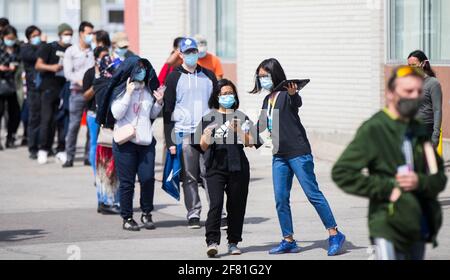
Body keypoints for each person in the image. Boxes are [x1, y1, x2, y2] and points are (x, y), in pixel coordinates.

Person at [332, 66, 447, 260]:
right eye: (408, 91)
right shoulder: (375, 129)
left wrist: (420, 182)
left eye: (418, 92)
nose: (415, 97)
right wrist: (387, 188)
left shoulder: (418, 129)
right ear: (391, 93)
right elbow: (342, 173)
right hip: (387, 225)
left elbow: (439, 178)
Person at [252, 58, 345, 256]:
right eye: (259, 77)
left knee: (313, 194)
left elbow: (297, 103)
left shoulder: (287, 94)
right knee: (280, 198)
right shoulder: (266, 100)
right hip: (278, 155)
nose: (262, 80)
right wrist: (244, 135)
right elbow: (261, 129)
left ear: (274, 75)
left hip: (298, 153)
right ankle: (288, 240)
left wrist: (294, 94)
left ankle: (334, 233)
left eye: (265, 76)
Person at [194, 79, 260, 257]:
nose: (227, 97)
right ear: (216, 97)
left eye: (230, 93)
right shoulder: (208, 118)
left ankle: (233, 242)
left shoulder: (241, 116)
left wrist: (240, 131)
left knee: (236, 206)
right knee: (215, 204)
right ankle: (212, 242)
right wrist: (207, 136)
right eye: (223, 94)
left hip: (238, 167)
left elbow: (253, 142)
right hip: (215, 167)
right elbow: (201, 147)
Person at [163, 38, 218, 229]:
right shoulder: (173, 77)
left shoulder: (209, 76)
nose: (191, 54)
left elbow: (216, 106)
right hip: (183, 133)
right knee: (189, 176)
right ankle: (193, 213)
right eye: (187, 52)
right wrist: (170, 141)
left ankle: (217, 212)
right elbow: (167, 111)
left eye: (194, 51)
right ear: (180, 54)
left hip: (207, 132)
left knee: (209, 174)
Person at [111, 58, 163, 231]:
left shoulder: (148, 90)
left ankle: (146, 213)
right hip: (125, 143)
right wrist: (127, 93)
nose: (142, 72)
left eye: (144, 69)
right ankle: (127, 217)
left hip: (145, 141)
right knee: (127, 183)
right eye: (138, 69)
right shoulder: (120, 90)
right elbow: (117, 114)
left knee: (148, 179)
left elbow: (152, 114)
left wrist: (159, 102)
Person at [35, 23, 73, 164]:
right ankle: (43, 149)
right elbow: (38, 65)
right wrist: (52, 67)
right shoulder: (49, 47)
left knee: (63, 120)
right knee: (47, 120)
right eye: (66, 33)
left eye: (70, 34)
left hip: (65, 89)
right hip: (49, 88)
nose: (68, 36)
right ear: (60, 34)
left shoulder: (71, 49)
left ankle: (61, 149)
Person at [62, 21, 95, 168]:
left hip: (92, 93)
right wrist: (81, 82)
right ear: (81, 33)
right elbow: (68, 73)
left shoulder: (93, 51)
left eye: (92, 33)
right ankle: (69, 156)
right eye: (89, 33)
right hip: (76, 92)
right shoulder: (71, 51)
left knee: (91, 125)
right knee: (74, 125)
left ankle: (88, 156)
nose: (91, 36)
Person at [93, 53, 121, 215]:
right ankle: (107, 201)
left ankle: (111, 200)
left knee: (112, 168)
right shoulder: (103, 83)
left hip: (115, 130)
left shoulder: (109, 82)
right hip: (109, 131)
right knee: (107, 168)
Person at [407, 50, 443, 149]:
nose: (411, 68)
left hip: (426, 130)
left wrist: (435, 136)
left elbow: (437, 110)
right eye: (408, 65)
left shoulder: (433, 83)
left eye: (413, 65)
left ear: (423, 64)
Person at [21, 25, 46, 159]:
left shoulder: (42, 47)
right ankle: (33, 147)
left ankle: (44, 146)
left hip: (45, 88)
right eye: (34, 36)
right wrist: (42, 43)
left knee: (46, 118)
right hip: (33, 89)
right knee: (34, 118)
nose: (36, 38)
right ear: (29, 38)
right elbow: (37, 56)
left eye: (38, 35)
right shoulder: (25, 49)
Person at [0, 25, 21, 150]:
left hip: (15, 85)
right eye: (8, 38)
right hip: (1, 84)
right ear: (3, 37)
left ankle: (10, 138)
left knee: (15, 114)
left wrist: (16, 66)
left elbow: (22, 63)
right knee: (0, 112)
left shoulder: (18, 49)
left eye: (13, 38)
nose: (11, 40)